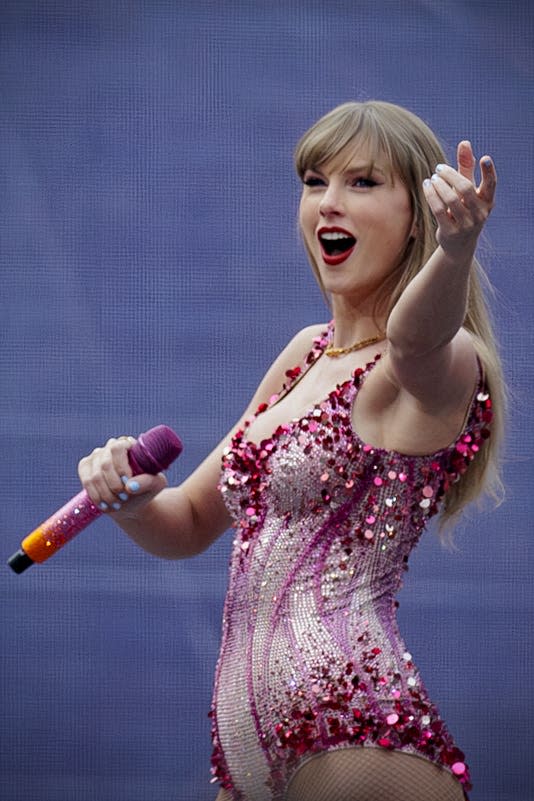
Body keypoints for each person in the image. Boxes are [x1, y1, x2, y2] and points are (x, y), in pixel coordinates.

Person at [78, 100, 503, 801]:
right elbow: (187, 521)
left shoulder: (441, 359)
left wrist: (456, 251)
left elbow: (414, 338)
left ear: (419, 214)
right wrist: (127, 499)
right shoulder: (304, 355)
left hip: (357, 735)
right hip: (246, 755)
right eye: (314, 180)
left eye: (363, 182)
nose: (329, 203)